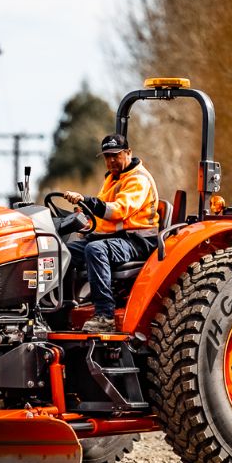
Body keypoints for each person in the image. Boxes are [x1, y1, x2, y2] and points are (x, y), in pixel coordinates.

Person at [62, 133, 160, 332]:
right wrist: (83, 220)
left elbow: (117, 210)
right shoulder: (112, 178)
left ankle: (105, 316)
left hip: (138, 240)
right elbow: (101, 214)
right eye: (107, 156)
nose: (112, 160)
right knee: (63, 252)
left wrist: (86, 200)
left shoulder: (138, 180)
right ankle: (61, 309)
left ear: (128, 153)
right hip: (116, 238)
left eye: (116, 155)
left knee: (95, 250)